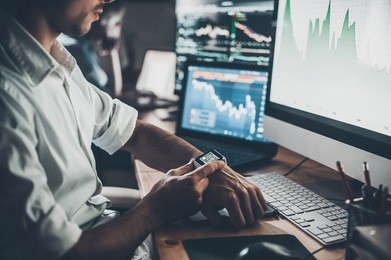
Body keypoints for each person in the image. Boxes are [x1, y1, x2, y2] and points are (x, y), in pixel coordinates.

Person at [0, 1, 268, 260]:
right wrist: (156, 208)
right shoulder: (8, 96)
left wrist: (212, 169)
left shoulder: (57, 62)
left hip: (114, 237)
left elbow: (136, 133)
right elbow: (66, 254)